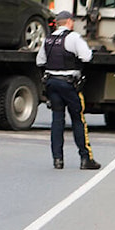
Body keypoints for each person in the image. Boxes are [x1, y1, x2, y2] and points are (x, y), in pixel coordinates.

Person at [36, 10, 100, 170]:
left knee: (57, 121)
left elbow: (40, 61)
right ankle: (85, 158)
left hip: (51, 83)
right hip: (69, 84)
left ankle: (57, 160)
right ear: (69, 22)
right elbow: (87, 57)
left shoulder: (48, 39)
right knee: (78, 120)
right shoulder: (73, 37)